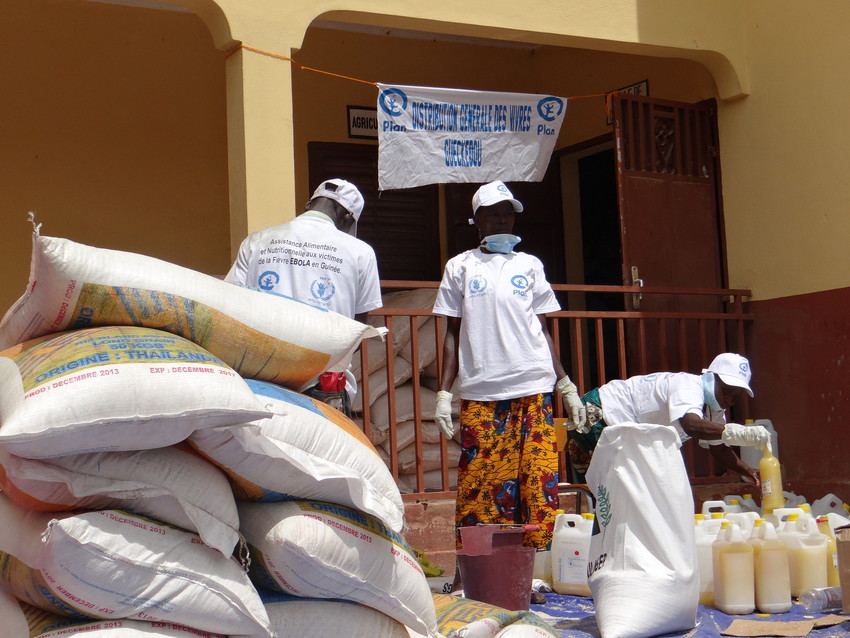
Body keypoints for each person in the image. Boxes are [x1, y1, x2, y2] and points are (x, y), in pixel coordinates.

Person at [431, 180, 586, 599]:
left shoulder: (530, 265)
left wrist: (564, 382)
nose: (503, 218)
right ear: (477, 219)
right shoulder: (459, 266)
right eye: (495, 212)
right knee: (479, 485)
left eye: (509, 212)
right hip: (481, 390)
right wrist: (445, 392)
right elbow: (451, 334)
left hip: (533, 386)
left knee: (534, 484)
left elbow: (544, 329)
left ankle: (522, 578)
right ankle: (472, 578)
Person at [225, 178, 382, 410]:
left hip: (260, 371)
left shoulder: (257, 240)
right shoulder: (361, 252)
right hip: (324, 380)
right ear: (347, 218)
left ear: (310, 205)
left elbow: (232, 302)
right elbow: (357, 330)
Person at [567, 352, 770, 485]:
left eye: (736, 396)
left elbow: (719, 448)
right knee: (615, 489)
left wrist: (748, 471)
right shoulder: (688, 385)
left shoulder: (714, 410)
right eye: (727, 391)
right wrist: (740, 432)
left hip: (628, 434)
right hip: (600, 415)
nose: (730, 400)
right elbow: (690, 424)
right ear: (711, 377)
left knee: (637, 487)